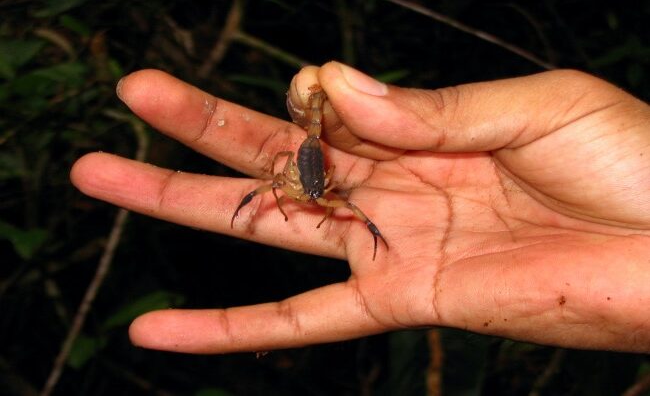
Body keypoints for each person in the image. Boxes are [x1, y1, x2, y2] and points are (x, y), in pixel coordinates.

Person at [70, 62, 650, 354]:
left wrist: (315, 196)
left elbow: (321, 193)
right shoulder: (295, 178)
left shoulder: (324, 190)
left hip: (314, 173)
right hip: (303, 169)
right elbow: (277, 180)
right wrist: (272, 192)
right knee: (291, 189)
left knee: (334, 202)